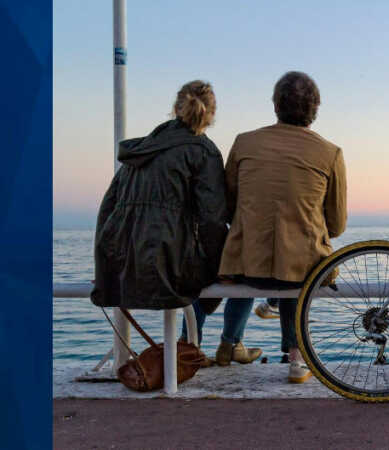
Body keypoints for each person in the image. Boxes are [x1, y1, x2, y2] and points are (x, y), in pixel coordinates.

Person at [91, 80, 261, 366]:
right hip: (166, 264)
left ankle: (191, 343)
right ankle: (226, 343)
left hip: (123, 261)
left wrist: (104, 264)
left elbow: (108, 207)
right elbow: (211, 219)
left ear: (174, 109)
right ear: (212, 115)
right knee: (244, 268)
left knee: (199, 264)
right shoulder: (204, 152)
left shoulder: (142, 149)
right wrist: (224, 262)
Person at [219, 71, 347, 383]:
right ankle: (297, 360)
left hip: (244, 266)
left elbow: (228, 203)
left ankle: (227, 344)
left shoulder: (244, 142)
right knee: (297, 262)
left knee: (258, 253)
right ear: (315, 109)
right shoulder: (330, 153)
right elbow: (337, 223)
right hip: (299, 270)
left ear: (276, 105)